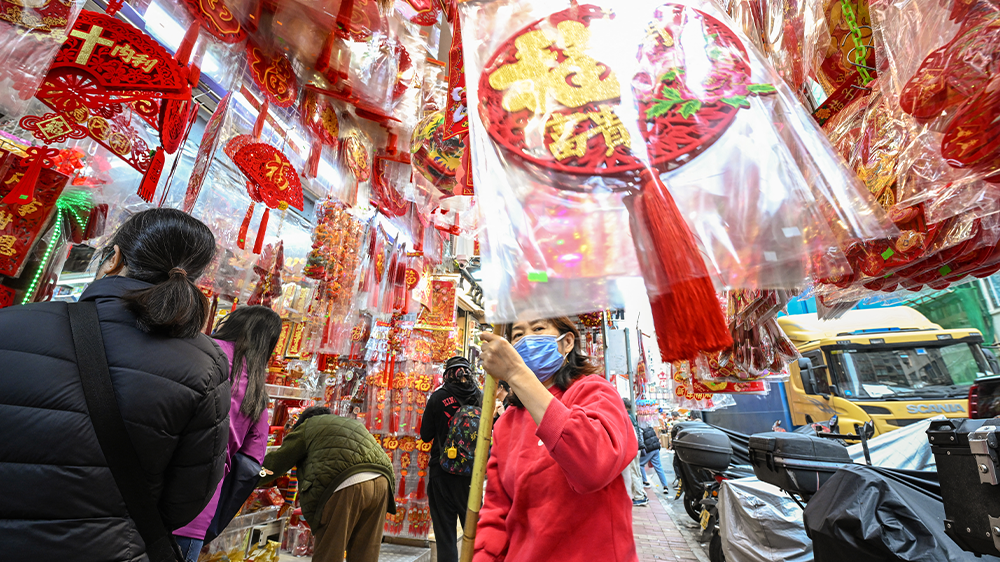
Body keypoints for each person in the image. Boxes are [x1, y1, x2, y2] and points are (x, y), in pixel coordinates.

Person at [0, 208, 231, 561]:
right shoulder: (205, 362)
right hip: (108, 549)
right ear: (194, 278)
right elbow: (188, 497)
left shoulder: (9, 325)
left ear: (114, 259)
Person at [475, 315, 639, 562]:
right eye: (518, 335)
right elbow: (496, 512)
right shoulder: (506, 423)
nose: (527, 339)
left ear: (567, 342)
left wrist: (517, 373)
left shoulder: (596, 393)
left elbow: (594, 466)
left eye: (538, 328)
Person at [173, 306, 283, 561]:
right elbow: (253, 458)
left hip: (147, 486)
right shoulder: (256, 387)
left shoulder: (195, 349)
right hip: (199, 505)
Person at [261, 406, 396, 562]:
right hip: (382, 482)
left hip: (347, 484)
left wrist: (250, 477)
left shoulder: (307, 427)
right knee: (366, 553)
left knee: (329, 553)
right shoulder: (350, 424)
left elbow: (276, 463)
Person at [419, 356, 483, 562]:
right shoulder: (481, 397)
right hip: (471, 475)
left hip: (442, 472)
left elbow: (426, 434)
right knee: (475, 533)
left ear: (447, 374)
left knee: (445, 535)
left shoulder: (438, 398)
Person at [623, 398, 649, 506]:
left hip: (633, 448)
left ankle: (639, 496)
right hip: (637, 448)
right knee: (636, 471)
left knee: (633, 472)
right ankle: (641, 494)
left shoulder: (627, 417)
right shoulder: (632, 416)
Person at [640, 425, 669, 493]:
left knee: (640, 464)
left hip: (649, 449)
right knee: (659, 467)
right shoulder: (651, 428)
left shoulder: (640, 429)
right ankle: (665, 486)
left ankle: (645, 482)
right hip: (656, 448)